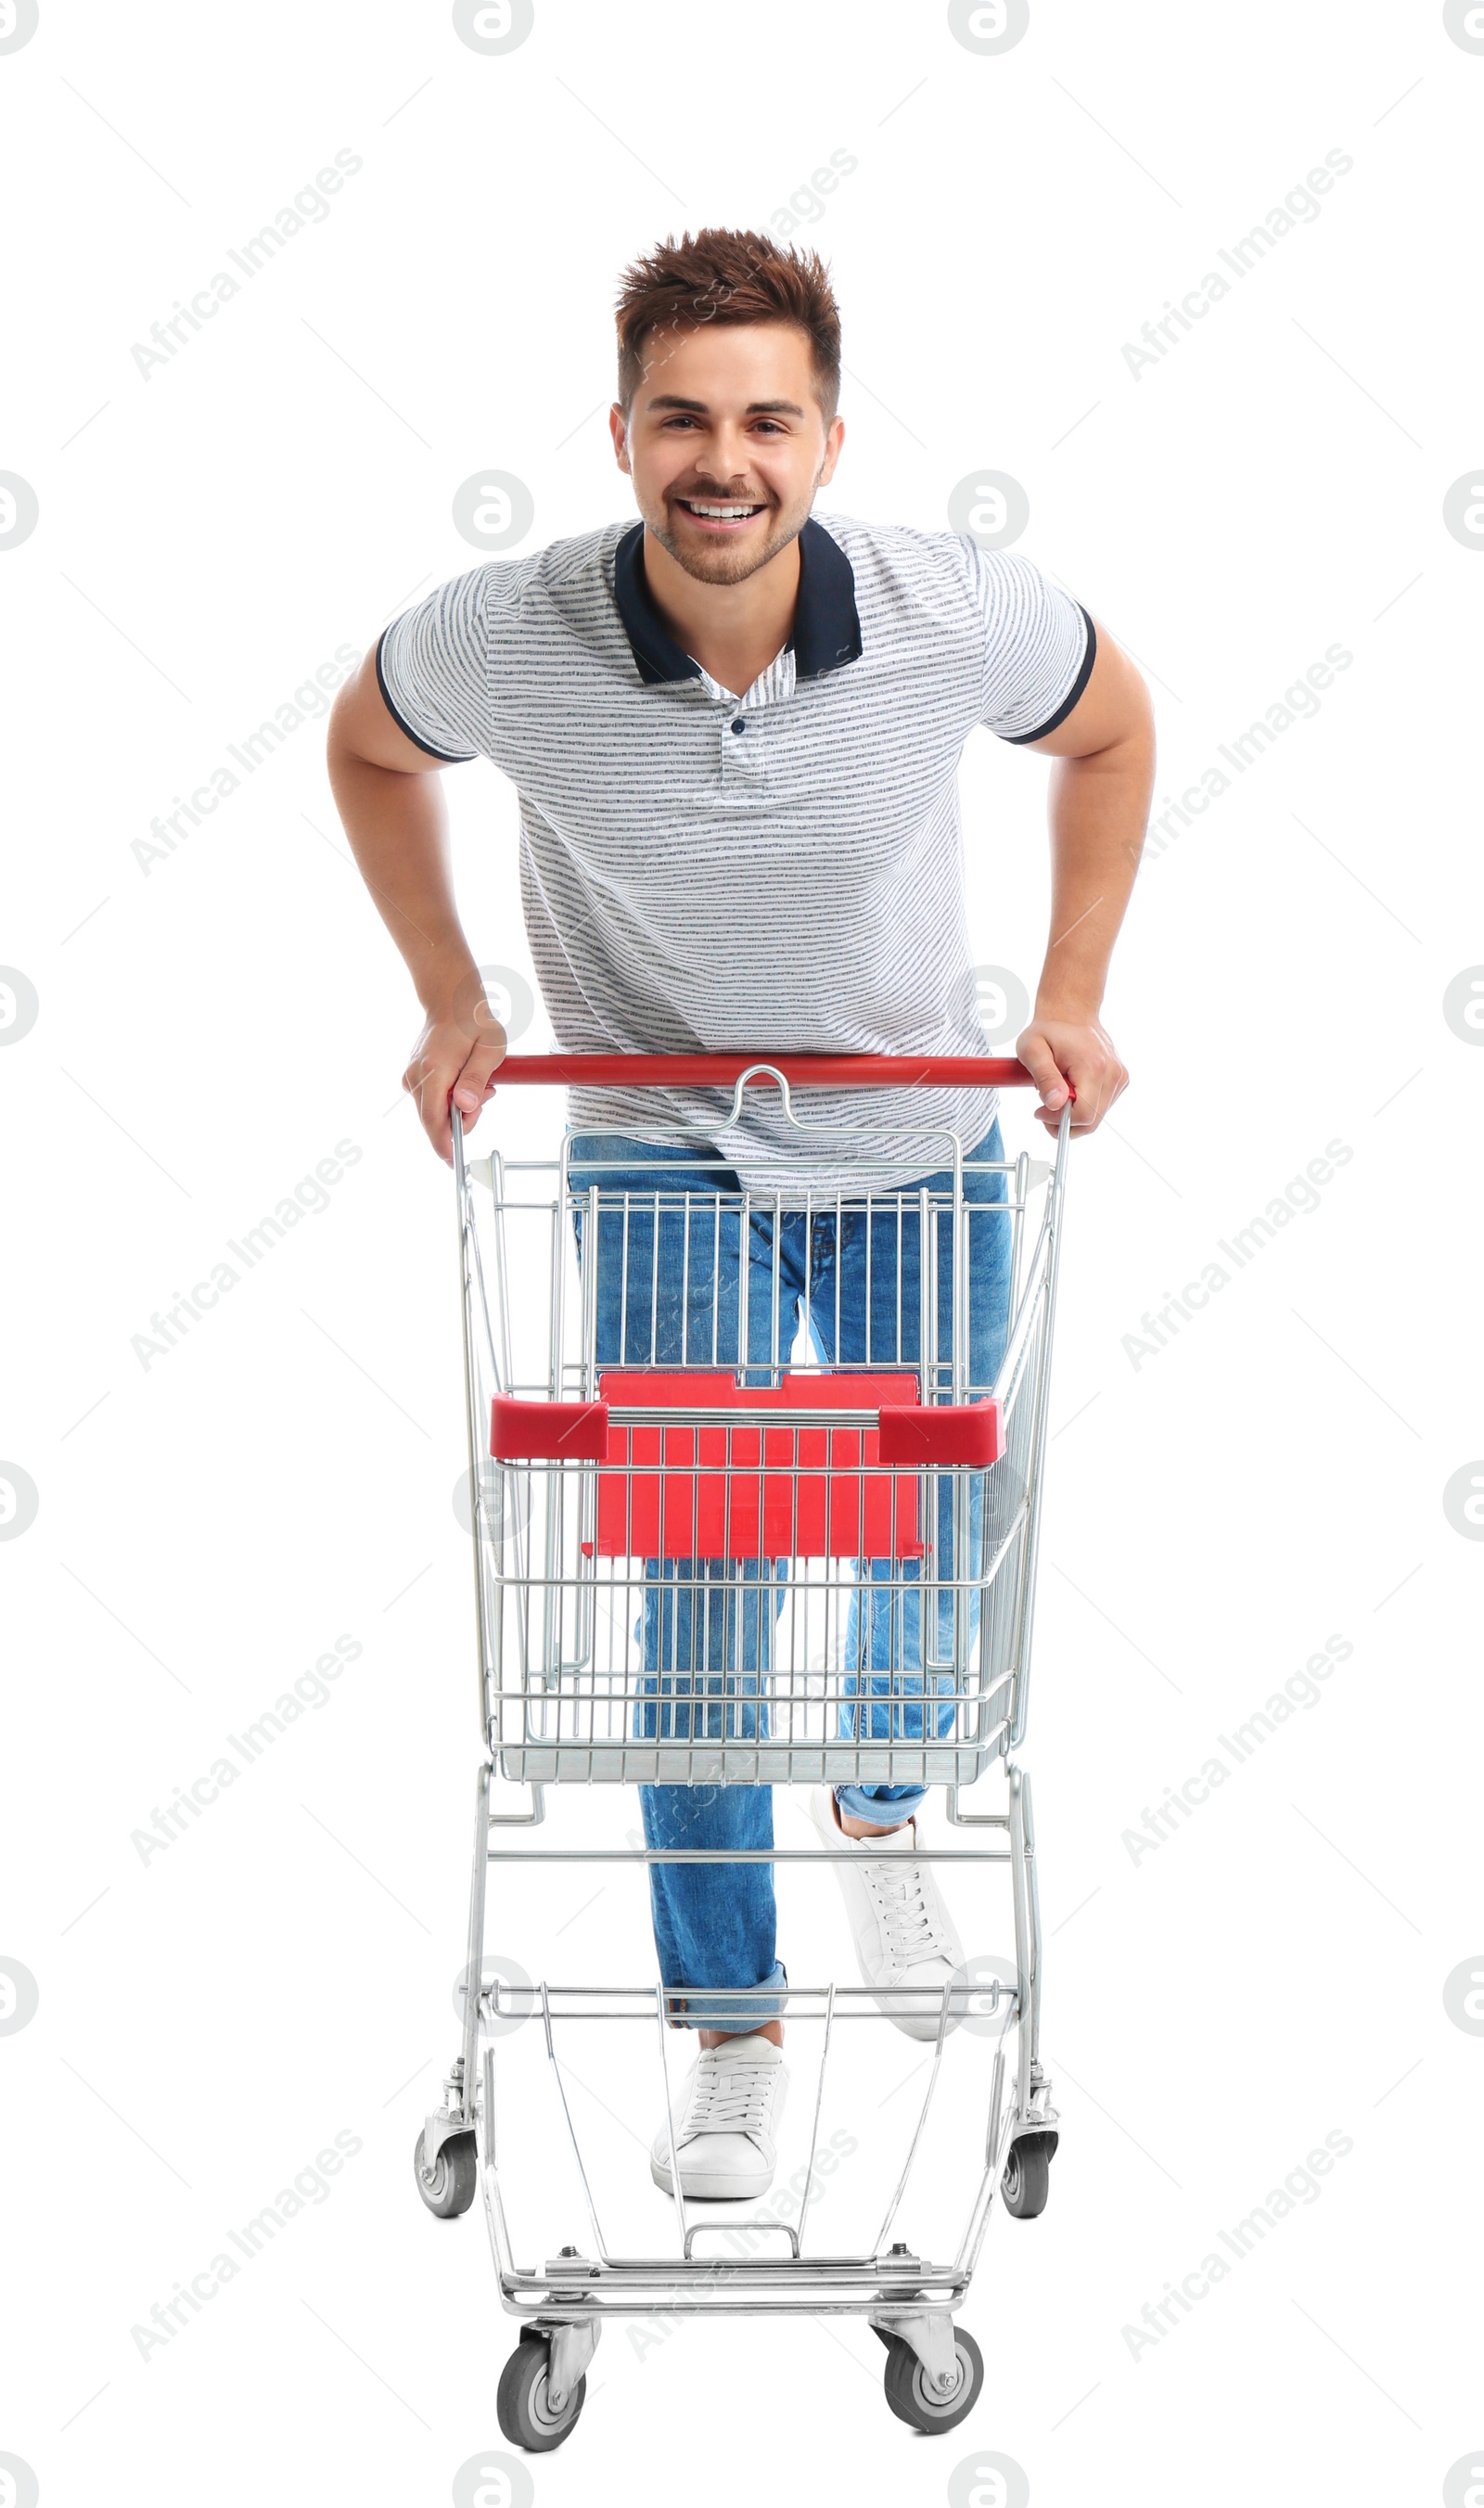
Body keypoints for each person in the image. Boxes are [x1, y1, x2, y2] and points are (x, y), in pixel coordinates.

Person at [326, 227, 1153, 2205]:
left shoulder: (951, 610)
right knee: (700, 1603)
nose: (725, 459)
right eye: (682, 416)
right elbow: (369, 747)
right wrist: (451, 994)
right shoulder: (502, 633)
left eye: (765, 418)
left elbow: (1108, 730)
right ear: (618, 436)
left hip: (914, 1135)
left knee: (918, 1524)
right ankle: (729, 2033)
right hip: (654, 1148)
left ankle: (876, 1807)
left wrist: (1069, 993)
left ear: (826, 437)